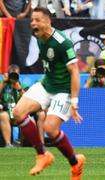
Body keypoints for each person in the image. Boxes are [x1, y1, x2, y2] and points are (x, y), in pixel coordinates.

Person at [12, 7, 85, 179]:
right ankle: (42, 154)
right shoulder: (39, 39)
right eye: (32, 20)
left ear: (48, 21)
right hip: (47, 84)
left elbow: (75, 71)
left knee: (50, 128)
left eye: (37, 20)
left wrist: (74, 102)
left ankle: (75, 164)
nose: (33, 23)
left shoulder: (62, 42)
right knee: (18, 112)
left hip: (63, 90)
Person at [0, 65, 27, 147]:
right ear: (8, 74)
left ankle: (21, 145)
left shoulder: (22, 85)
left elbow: (29, 99)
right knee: (3, 115)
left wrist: (19, 89)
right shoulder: (3, 84)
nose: (14, 77)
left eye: (16, 75)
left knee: (25, 118)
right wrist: (3, 82)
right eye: (12, 75)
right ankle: (8, 144)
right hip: (6, 112)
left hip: (18, 113)